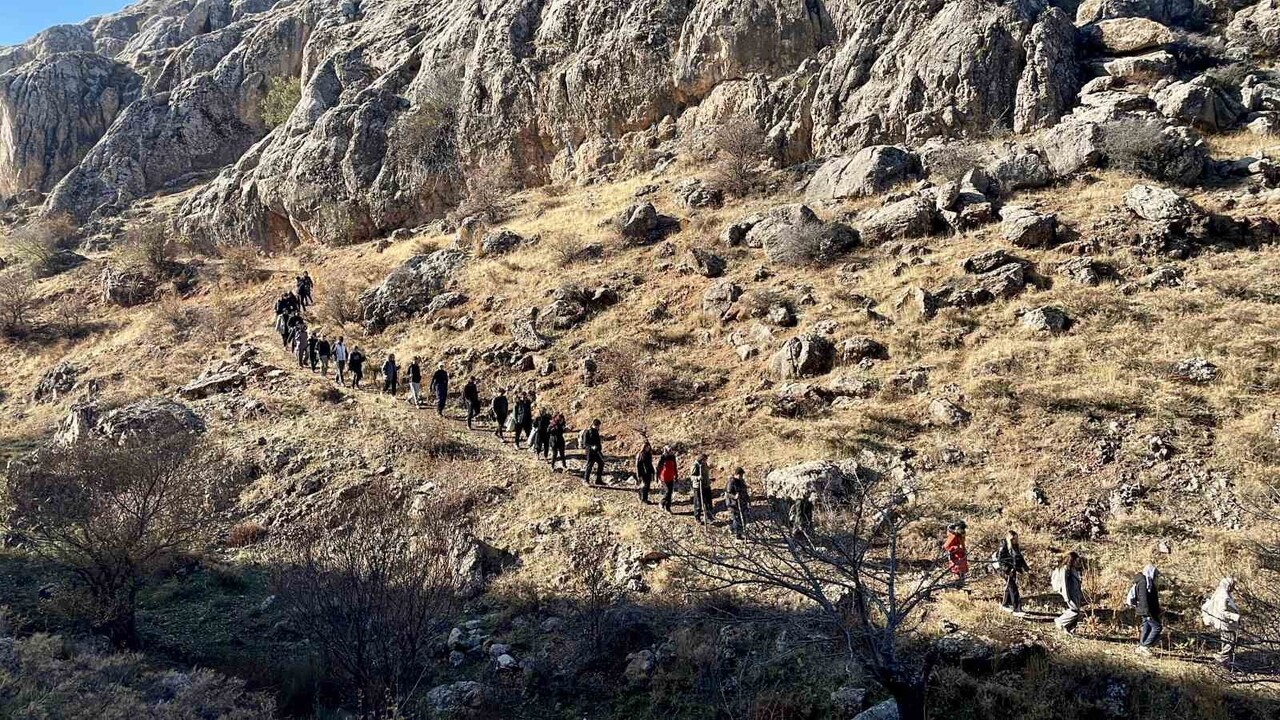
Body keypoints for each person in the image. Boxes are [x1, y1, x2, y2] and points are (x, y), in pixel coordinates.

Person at [1201, 577, 1241, 666]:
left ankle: (1225, 663)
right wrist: (1235, 617)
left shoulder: (1222, 594)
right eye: (1232, 585)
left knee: (1227, 643)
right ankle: (1220, 661)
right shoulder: (1223, 596)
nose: (1234, 588)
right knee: (1229, 644)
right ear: (1228, 585)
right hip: (1226, 624)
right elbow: (1222, 612)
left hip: (1225, 624)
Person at [1127, 565, 1163, 656]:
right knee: (1157, 627)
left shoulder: (1148, 582)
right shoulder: (1144, 582)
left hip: (1147, 610)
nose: (1156, 576)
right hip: (1146, 610)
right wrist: (1147, 612)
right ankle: (1145, 646)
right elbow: (1143, 598)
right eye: (1155, 573)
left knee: (1147, 627)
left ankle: (1142, 646)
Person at [996, 530, 1031, 614]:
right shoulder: (1004, 545)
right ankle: (1017, 609)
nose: (1016, 540)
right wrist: (1007, 570)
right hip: (1004, 569)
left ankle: (1005, 604)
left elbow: (1019, 557)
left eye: (1017, 538)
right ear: (1010, 539)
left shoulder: (1015, 545)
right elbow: (1000, 560)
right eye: (1014, 539)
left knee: (1009, 586)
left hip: (1012, 569)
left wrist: (1026, 568)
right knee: (1013, 588)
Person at [1052, 552, 1087, 635]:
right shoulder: (1065, 569)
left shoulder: (1073, 569)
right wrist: (1066, 596)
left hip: (1076, 593)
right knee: (1074, 611)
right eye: (1076, 561)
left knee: (1077, 612)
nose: (1078, 563)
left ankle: (1069, 628)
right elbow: (1064, 584)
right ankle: (1060, 621)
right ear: (1072, 560)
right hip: (1070, 594)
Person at [726, 467, 750, 539]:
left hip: (741, 504)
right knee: (736, 519)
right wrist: (734, 497)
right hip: (733, 504)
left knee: (742, 518)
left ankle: (737, 531)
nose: (741, 476)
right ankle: (737, 535)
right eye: (740, 475)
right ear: (736, 474)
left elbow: (744, 492)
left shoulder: (741, 481)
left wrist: (748, 500)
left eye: (742, 475)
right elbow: (728, 493)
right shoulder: (731, 482)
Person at [943, 521, 969, 586]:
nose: (963, 531)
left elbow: (963, 545)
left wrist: (963, 550)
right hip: (955, 557)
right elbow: (946, 546)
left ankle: (961, 583)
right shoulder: (953, 536)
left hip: (961, 556)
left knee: (961, 571)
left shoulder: (960, 536)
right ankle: (957, 584)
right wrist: (956, 548)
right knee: (957, 571)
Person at [692, 454, 714, 525]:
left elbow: (706, 473)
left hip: (706, 486)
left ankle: (708, 517)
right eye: (705, 460)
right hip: (698, 487)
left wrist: (709, 480)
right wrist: (698, 478)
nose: (706, 461)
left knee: (708, 502)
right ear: (701, 459)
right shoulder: (695, 466)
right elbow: (692, 477)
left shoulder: (705, 464)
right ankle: (697, 518)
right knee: (698, 503)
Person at [582, 419, 604, 486]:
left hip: (597, 451)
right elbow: (585, 443)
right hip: (590, 452)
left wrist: (599, 448)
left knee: (601, 463)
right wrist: (592, 446)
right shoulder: (587, 431)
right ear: (594, 425)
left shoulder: (596, 431)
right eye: (598, 426)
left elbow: (597, 442)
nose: (598, 427)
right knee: (590, 465)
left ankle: (598, 480)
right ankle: (585, 480)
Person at [657, 446, 678, 513]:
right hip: (664, 477)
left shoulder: (673, 457)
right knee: (668, 491)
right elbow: (658, 467)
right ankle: (662, 503)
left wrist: (676, 475)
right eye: (669, 450)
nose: (670, 451)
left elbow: (675, 466)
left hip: (671, 476)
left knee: (670, 492)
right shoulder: (663, 457)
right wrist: (657, 477)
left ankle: (667, 507)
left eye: (670, 450)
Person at [635, 439, 655, 505]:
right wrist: (638, 475)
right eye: (647, 447)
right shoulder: (640, 455)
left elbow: (650, 464)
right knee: (645, 486)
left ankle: (642, 496)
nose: (648, 448)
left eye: (649, 447)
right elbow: (637, 466)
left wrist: (653, 471)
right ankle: (644, 499)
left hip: (648, 472)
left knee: (647, 486)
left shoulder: (649, 454)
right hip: (643, 473)